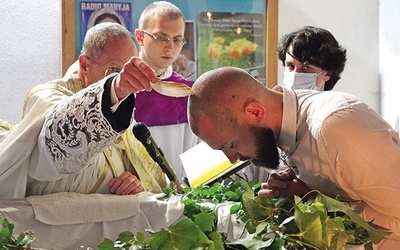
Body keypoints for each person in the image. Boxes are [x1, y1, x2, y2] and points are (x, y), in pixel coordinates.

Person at [187, 66, 400, 248]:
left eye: (231, 145)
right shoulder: (288, 127)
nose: (233, 159)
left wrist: (316, 200)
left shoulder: (334, 126)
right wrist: (300, 193)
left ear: (255, 112)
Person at [0, 22, 169, 199]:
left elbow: (149, 178)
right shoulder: (46, 97)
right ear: (85, 65)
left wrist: (136, 184)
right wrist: (116, 86)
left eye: (129, 70)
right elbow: (54, 147)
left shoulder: (123, 110)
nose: (126, 79)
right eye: (113, 70)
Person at [243, 26, 348, 183]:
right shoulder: (268, 114)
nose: (295, 75)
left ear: (327, 74)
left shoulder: (336, 117)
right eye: (290, 66)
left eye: (306, 68)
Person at [133, 1, 199, 180]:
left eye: (177, 39)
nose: (170, 47)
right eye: (161, 37)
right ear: (140, 37)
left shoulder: (187, 92)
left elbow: (196, 156)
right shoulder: (121, 90)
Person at [278, 26, 347, 91]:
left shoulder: (340, 103)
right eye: (290, 66)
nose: (295, 74)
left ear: (328, 73)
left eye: (305, 67)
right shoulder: (273, 101)